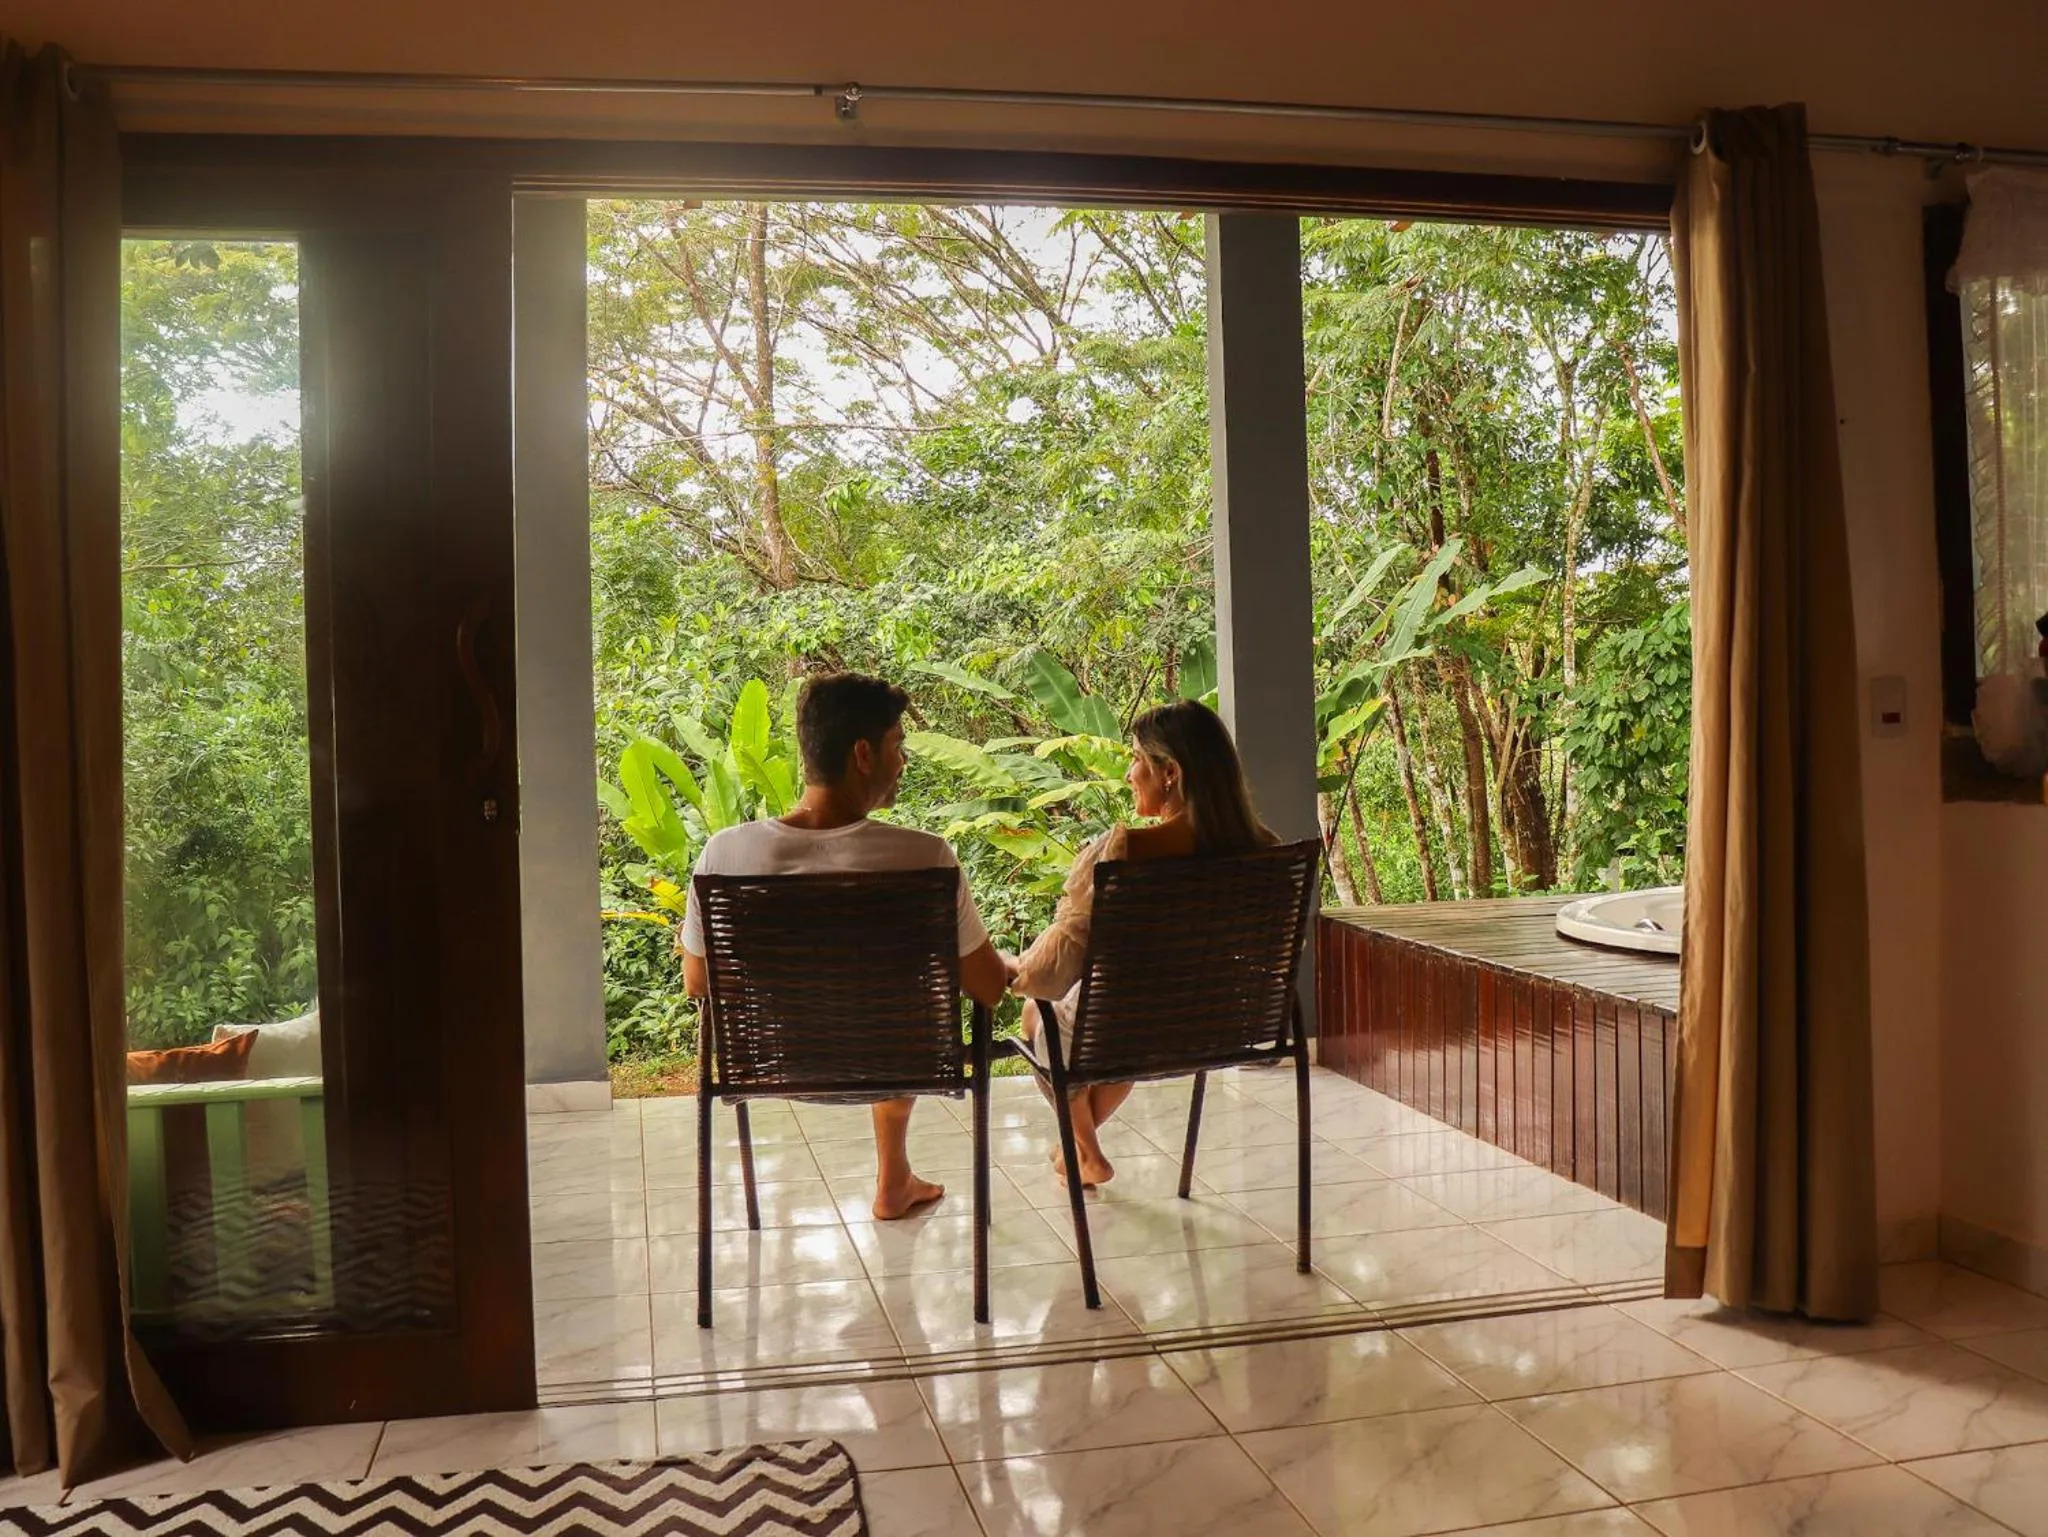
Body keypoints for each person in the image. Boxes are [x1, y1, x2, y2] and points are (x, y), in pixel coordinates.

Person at [680, 672, 1009, 1220]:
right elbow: (989, 987)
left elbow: (697, 982)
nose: (903, 760)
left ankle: (895, 1179)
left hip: (774, 1063)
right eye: (897, 745)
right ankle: (894, 1178)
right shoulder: (924, 858)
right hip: (898, 1061)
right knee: (890, 997)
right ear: (863, 753)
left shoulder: (726, 855)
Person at [1006, 699, 1274, 1188]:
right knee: (1116, 1027)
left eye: (1135, 759)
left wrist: (1013, 972)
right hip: (1223, 1022)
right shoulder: (1269, 850)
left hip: (1129, 1026)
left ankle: (1082, 1150)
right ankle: (1080, 1152)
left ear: (1169, 772)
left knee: (1035, 1013)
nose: (1129, 774)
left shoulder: (1124, 850)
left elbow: (1058, 966)